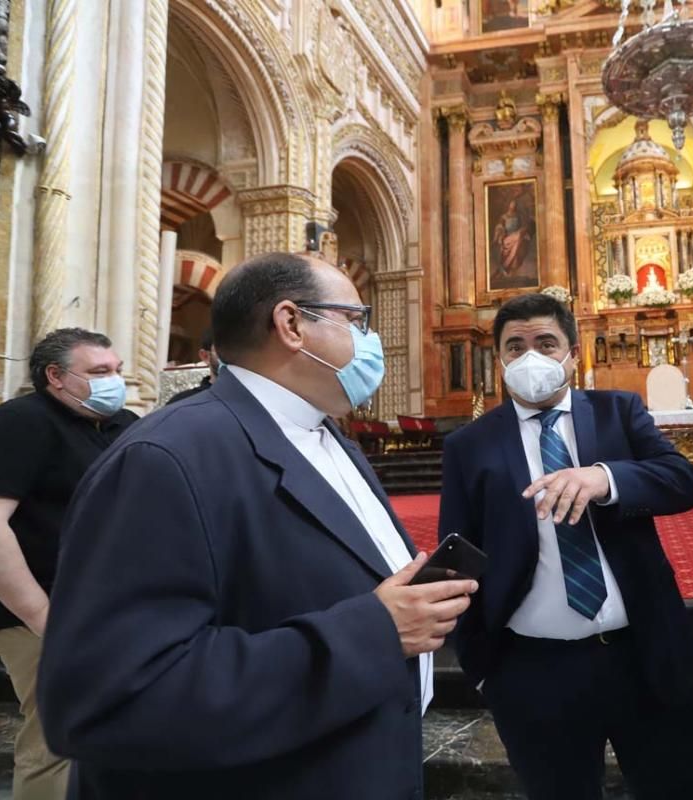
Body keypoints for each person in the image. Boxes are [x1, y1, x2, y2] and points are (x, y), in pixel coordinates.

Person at [38, 253, 477, 799]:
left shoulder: (328, 438)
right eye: (355, 320)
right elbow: (108, 699)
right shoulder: (166, 457)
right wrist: (376, 633)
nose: (371, 341)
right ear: (291, 324)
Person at [438, 293, 693, 800]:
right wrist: (483, 670)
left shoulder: (618, 411)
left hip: (644, 656)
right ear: (500, 359)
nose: (531, 357)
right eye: (516, 346)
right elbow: (460, 552)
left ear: (572, 351)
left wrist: (605, 478)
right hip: (532, 671)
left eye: (546, 343)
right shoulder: (470, 445)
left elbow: (683, 482)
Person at [0, 328, 137, 800]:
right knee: (56, 741)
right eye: (99, 372)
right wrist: (41, 616)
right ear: (56, 376)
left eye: (117, 371)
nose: (114, 381)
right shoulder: (20, 422)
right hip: (39, 610)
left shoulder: (122, 424)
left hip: (105, 609)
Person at [165, 327, 219, 405]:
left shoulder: (242, 399)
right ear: (205, 356)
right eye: (226, 349)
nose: (234, 356)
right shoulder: (181, 403)